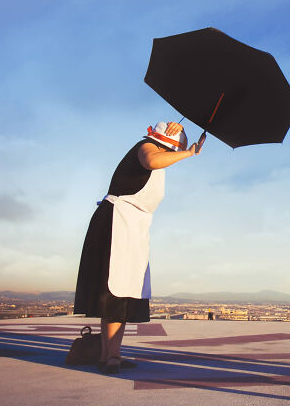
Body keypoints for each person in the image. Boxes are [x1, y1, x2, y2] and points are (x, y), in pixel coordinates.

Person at [74, 121, 204, 374]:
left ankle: (111, 354)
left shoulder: (159, 152)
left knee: (125, 290)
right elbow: (152, 161)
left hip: (133, 226)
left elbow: (164, 158)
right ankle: (109, 356)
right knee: (116, 289)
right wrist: (189, 153)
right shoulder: (146, 146)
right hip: (118, 222)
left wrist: (187, 141)